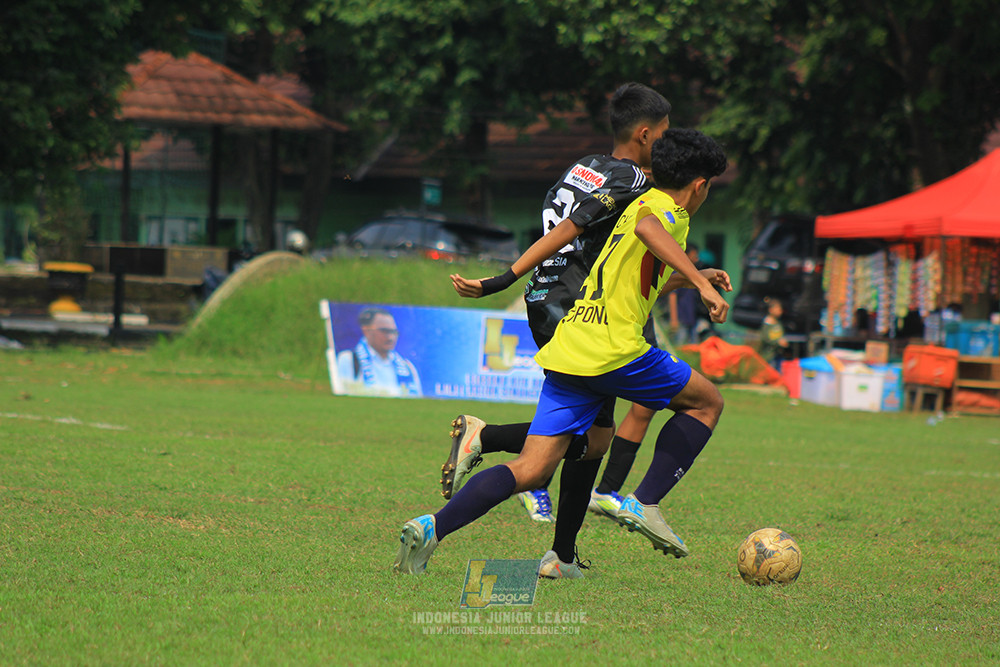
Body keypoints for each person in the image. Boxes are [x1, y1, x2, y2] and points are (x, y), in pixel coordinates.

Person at [394, 128, 730, 577]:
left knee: (534, 468)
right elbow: (651, 230)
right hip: (615, 350)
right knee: (707, 403)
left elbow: (634, 278)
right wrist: (702, 282)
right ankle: (645, 501)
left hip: (573, 344)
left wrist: (693, 277)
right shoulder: (665, 212)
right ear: (700, 185)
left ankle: (432, 528)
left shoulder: (634, 205)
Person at [443, 81, 672, 548]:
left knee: (597, 435)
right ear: (645, 134)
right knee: (588, 434)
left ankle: (561, 550)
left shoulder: (585, 165)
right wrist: (500, 279)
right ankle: (506, 457)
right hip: (575, 304)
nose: (669, 143)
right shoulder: (633, 180)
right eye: (666, 134)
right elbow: (571, 228)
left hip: (546, 295)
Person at [335, 307, 422, 397]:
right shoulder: (349, 359)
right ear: (366, 331)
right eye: (385, 331)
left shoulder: (407, 367)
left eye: (394, 332)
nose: (390, 337)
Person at [666, 243, 703, 346]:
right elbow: (672, 296)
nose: (696, 259)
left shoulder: (692, 273)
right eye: (694, 255)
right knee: (679, 347)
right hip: (681, 319)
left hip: (691, 319)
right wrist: (674, 319)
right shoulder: (677, 273)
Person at [758, 297, 789, 371]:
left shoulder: (778, 323)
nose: (780, 311)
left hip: (778, 355)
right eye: (777, 308)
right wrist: (777, 342)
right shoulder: (767, 323)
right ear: (771, 310)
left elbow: (780, 335)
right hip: (769, 356)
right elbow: (765, 338)